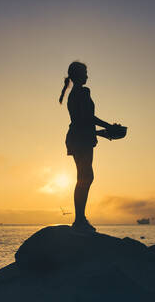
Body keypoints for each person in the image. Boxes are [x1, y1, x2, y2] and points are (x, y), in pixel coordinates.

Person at [59, 61, 113, 232]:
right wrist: (109, 127)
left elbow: (82, 121)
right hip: (80, 138)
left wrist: (103, 132)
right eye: (85, 72)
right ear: (78, 75)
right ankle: (80, 219)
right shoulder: (82, 92)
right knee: (85, 177)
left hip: (79, 136)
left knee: (85, 177)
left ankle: (80, 218)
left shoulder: (74, 93)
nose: (87, 76)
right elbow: (88, 118)